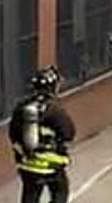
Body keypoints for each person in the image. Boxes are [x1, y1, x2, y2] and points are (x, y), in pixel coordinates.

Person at [10, 66, 77, 203]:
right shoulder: (54, 109)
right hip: (52, 164)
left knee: (30, 194)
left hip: (27, 164)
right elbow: (69, 133)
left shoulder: (21, 107)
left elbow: (13, 134)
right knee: (60, 192)